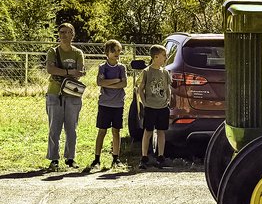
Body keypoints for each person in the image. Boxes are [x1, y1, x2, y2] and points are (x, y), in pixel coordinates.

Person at [44, 22, 86, 171]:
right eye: (61, 32)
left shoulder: (77, 53)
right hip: (55, 93)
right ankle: (54, 159)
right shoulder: (53, 52)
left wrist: (61, 71)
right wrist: (69, 72)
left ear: (72, 34)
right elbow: (50, 69)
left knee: (71, 128)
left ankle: (70, 158)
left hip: (72, 94)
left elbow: (80, 72)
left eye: (67, 32)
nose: (64, 35)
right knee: (54, 128)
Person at [90, 39, 128, 170]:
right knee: (102, 131)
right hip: (105, 104)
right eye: (114, 51)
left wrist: (110, 82)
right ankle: (96, 159)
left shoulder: (122, 67)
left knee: (116, 131)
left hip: (118, 104)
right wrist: (115, 81)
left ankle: (116, 158)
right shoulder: (103, 67)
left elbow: (124, 84)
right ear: (107, 53)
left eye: (118, 50)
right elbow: (100, 82)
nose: (117, 53)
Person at [137, 44, 172, 169]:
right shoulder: (146, 72)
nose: (166, 58)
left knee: (161, 131)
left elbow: (168, 88)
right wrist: (145, 103)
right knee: (148, 131)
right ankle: (144, 157)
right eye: (164, 55)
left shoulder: (165, 72)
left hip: (162, 107)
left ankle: (161, 156)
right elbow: (140, 89)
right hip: (150, 107)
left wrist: (168, 100)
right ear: (155, 57)